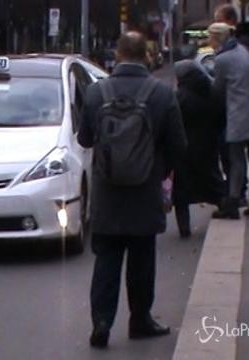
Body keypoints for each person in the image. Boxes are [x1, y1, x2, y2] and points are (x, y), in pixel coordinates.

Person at [78, 31, 187, 349]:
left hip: (107, 193)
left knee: (106, 259)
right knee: (142, 259)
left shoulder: (97, 92)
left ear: (117, 55)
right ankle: (140, 319)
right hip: (144, 190)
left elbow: (85, 139)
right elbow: (179, 146)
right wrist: (159, 169)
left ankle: (101, 322)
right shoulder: (163, 94)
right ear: (146, 57)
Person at [208, 22, 249, 219]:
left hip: (239, 114)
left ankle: (232, 203)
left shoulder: (223, 59)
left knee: (236, 158)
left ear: (217, 38)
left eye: (210, 37)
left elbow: (218, 91)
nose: (208, 40)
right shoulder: (243, 50)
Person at [173, 59, 227, 238]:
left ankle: (184, 228)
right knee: (212, 180)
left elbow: (173, 123)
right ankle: (225, 206)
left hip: (184, 149)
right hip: (208, 145)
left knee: (181, 190)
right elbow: (221, 118)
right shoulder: (212, 91)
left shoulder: (179, 97)